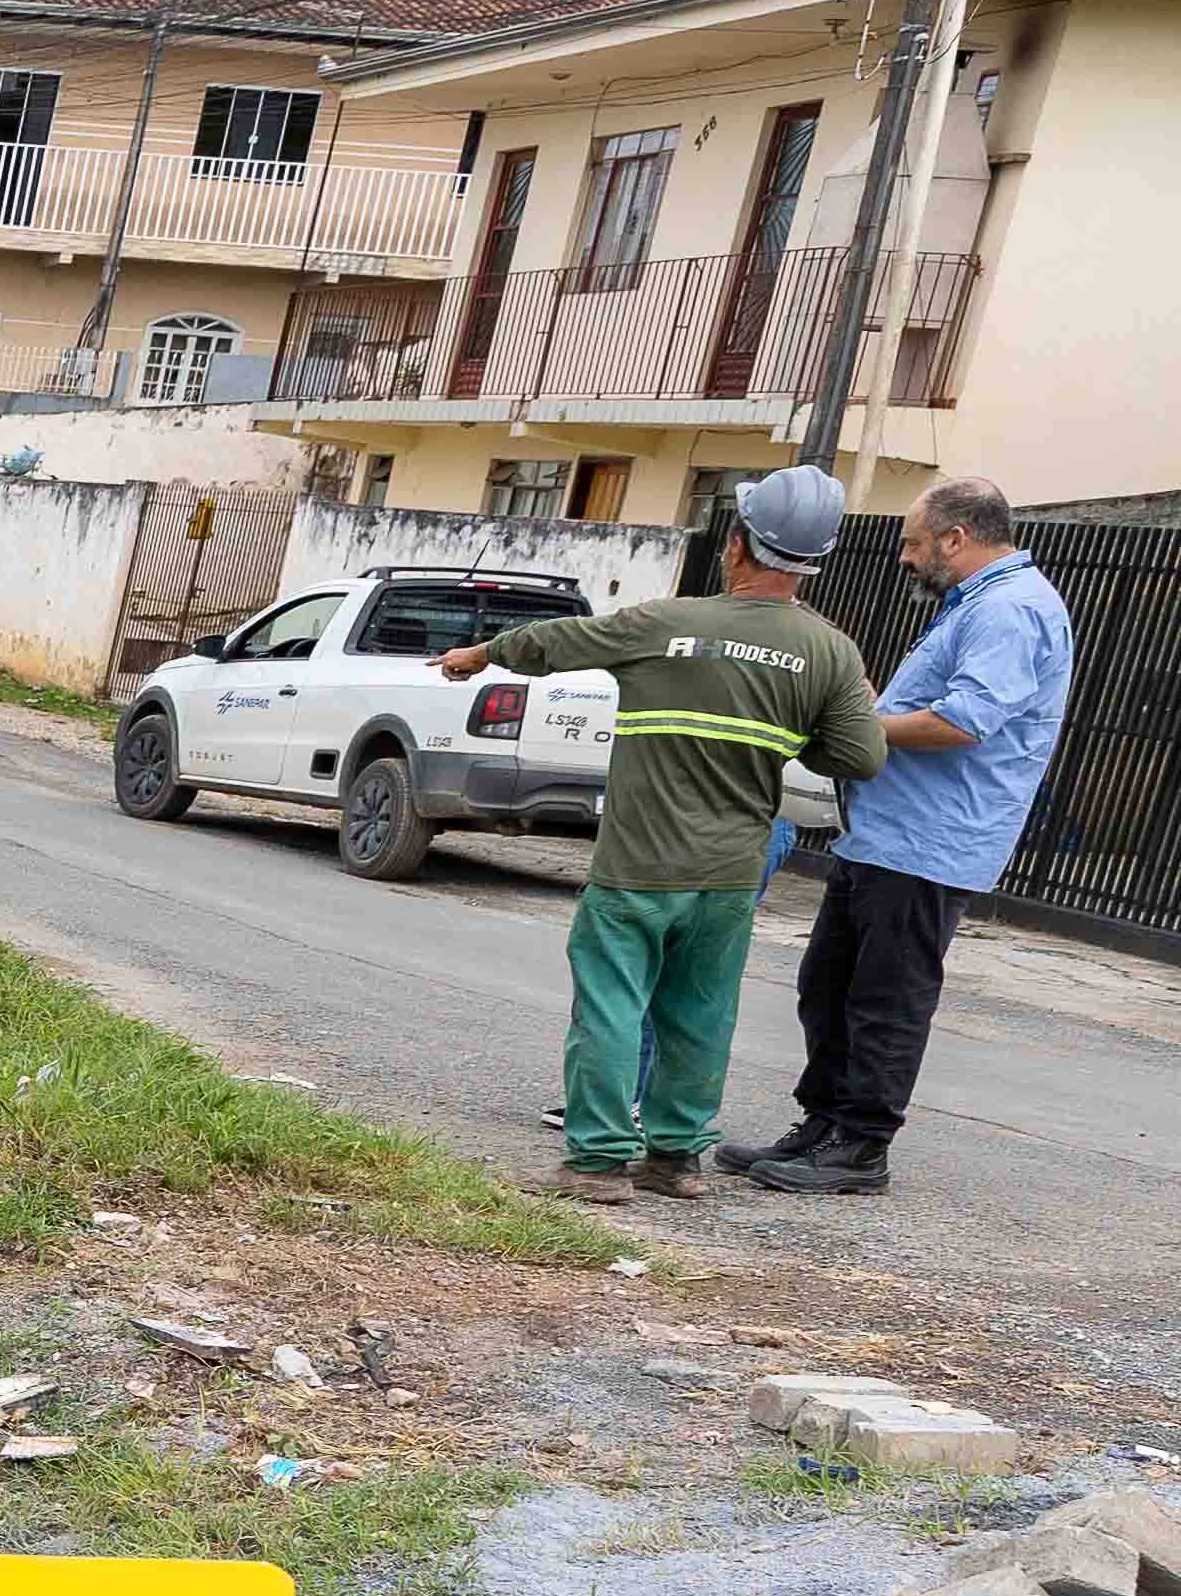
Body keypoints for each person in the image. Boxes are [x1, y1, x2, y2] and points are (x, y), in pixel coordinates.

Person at [438, 463, 887, 1203]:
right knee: (700, 1015)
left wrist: (477, 655)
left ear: (737, 545)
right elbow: (859, 757)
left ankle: (598, 1163)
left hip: (638, 867)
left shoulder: (667, 623)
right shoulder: (829, 652)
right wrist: (796, 728)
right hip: (730, 874)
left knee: (613, 1006)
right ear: (812, 559)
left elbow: (558, 641)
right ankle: (676, 1161)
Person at [728, 475, 1072, 1195]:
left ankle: (862, 1146)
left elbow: (962, 722)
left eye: (914, 543)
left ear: (956, 537)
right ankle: (823, 1123)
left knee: (886, 997)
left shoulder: (1011, 609)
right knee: (826, 985)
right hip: (885, 834)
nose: (905, 558)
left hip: (931, 842)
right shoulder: (973, 605)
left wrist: (856, 729)